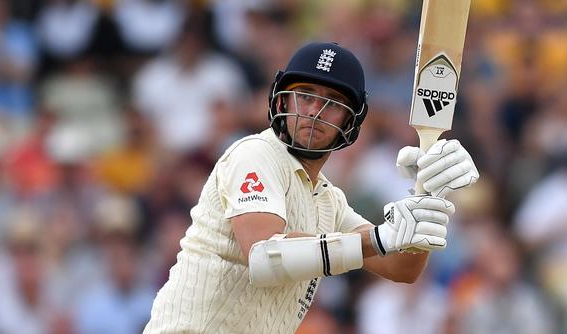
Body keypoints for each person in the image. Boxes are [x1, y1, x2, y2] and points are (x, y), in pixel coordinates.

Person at [142, 42, 479, 333]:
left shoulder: (328, 200)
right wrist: (379, 238)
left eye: (332, 102)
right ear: (283, 102)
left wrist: (427, 194)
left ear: (351, 120)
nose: (314, 112)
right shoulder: (256, 154)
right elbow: (263, 256)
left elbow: (399, 268)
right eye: (305, 95)